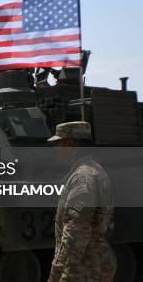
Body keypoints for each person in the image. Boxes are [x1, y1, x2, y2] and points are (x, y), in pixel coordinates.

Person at [48, 121, 116, 282]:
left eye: (58, 143)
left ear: (70, 144)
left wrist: (56, 271)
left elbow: (75, 231)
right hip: (93, 263)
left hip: (82, 269)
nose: (56, 149)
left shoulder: (82, 179)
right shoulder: (95, 171)